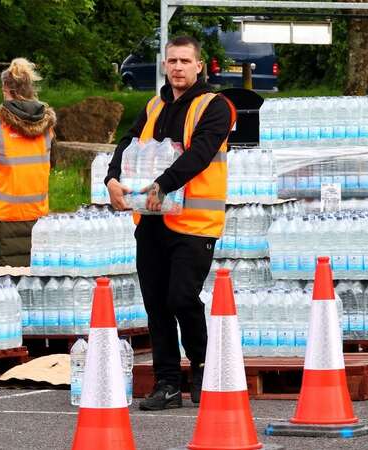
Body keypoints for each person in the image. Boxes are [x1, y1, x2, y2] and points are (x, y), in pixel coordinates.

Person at [105, 36, 236, 410]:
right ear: (165, 65)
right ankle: (167, 383)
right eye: (172, 61)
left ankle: (203, 364)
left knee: (181, 297)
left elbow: (199, 154)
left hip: (195, 222)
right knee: (156, 304)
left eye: (185, 61)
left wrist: (162, 185)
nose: (177, 67)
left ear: (200, 66)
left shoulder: (216, 106)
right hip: (150, 220)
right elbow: (127, 142)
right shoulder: (154, 104)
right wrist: (112, 178)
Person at [0, 58, 56, 267]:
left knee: (7, 281)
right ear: (30, 88)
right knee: (36, 279)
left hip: (5, 216)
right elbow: (52, 161)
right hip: (38, 214)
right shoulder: (47, 123)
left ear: (5, 88)